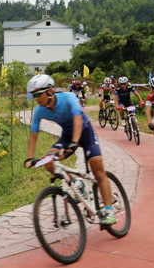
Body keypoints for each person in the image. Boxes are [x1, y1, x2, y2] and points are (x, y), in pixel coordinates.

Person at [24, 75, 116, 225]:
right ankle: (77, 184)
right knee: (50, 162)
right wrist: (29, 158)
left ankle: (109, 211)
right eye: (33, 95)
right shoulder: (39, 110)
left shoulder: (68, 97)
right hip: (67, 136)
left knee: (98, 171)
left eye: (38, 94)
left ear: (50, 91)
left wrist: (74, 142)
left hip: (85, 132)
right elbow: (33, 136)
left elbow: (78, 120)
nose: (36, 98)